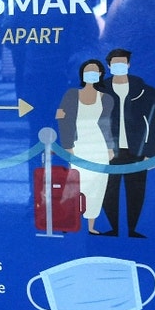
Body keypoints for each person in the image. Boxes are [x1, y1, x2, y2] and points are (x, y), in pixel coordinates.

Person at [96, 48, 155, 238]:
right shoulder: (99, 92)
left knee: (136, 189)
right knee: (108, 190)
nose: (119, 66)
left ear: (128, 64)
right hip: (110, 151)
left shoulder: (146, 92)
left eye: (122, 62)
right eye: (114, 63)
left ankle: (134, 229)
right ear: (109, 66)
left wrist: (151, 153)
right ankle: (112, 228)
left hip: (137, 150)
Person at [56, 59, 116, 234]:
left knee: (98, 185)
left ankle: (91, 225)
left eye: (95, 72)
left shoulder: (106, 99)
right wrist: (67, 145)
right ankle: (66, 219)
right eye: (88, 71)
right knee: (74, 183)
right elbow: (63, 119)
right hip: (80, 143)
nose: (91, 75)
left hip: (98, 145)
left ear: (100, 75)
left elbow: (106, 125)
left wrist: (109, 148)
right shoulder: (72, 95)